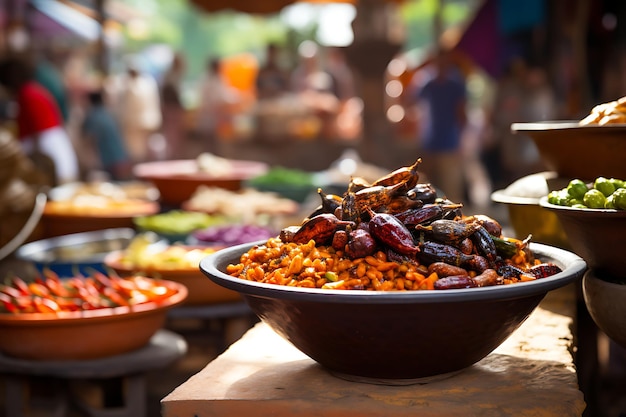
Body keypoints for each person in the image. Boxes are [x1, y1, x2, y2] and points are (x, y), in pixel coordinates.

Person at [0, 53, 79, 185]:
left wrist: (34, 165)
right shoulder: (31, 90)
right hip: (51, 145)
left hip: (47, 149)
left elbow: (37, 129)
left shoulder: (27, 93)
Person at [409, 48, 467, 204]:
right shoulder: (426, 81)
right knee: (427, 188)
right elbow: (411, 101)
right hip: (429, 142)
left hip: (449, 143)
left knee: (452, 190)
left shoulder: (455, 82)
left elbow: (461, 113)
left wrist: (462, 139)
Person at [106, 56, 162, 164]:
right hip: (147, 122)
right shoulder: (148, 83)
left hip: (135, 124)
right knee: (142, 151)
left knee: (136, 151)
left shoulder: (131, 87)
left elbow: (126, 108)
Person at [81, 89, 132, 181]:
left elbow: (88, 141)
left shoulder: (92, 117)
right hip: (122, 158)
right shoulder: (108, 113)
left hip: (110, 162)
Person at [195, 57, 241, 148]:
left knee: (213, 145)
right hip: (210, 118)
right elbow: (219, 99)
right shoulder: (210, 80)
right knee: (210, 145)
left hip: (213, 119)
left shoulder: (213, 79)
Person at [160, 52, 186, 159]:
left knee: (173, 137)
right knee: (172, 137)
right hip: (172, 109)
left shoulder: (173, 76)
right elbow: (171, 93)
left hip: (171, 108)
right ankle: (171, 158)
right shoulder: (171, 77)